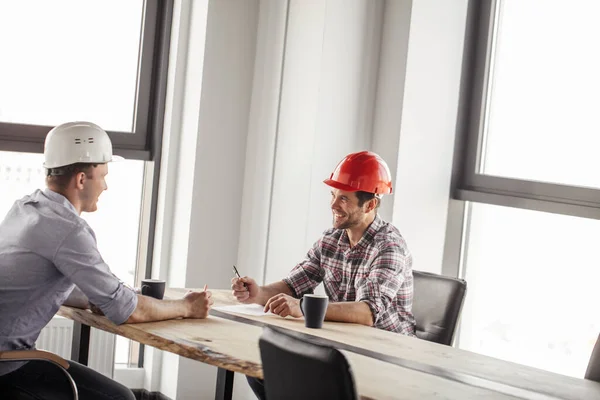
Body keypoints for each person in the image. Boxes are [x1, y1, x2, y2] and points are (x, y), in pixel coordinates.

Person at [0, 121, 213, 400]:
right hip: (8, 366)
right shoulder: (68, 229)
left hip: (7, 356)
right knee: (120, 398)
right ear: (80, 180)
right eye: (103, 175)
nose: (106, 186)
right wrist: (187, 306)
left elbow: (36, 280)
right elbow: (125, 310)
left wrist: (94, 298)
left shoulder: (26, 208)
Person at [231, 150, 415, 399]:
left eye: (344, 199)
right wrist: (259, 293)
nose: (333, 205)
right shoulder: (331, 239)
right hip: (343, 346)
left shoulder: (388, 246)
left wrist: (304, 308)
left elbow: (367, 313)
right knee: (261, 369)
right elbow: (293, 286)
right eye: (333, 195)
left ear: (370, 204)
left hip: (386, 357)